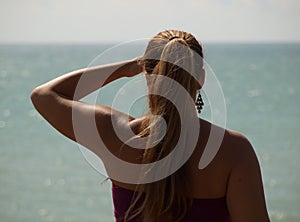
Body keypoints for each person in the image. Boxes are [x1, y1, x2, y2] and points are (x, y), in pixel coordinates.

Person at [31, 30, 270, 222]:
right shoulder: (233, 151)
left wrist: (128, 68)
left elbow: (44, 95)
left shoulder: (115, 134)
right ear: (201, 78)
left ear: (147, 75)